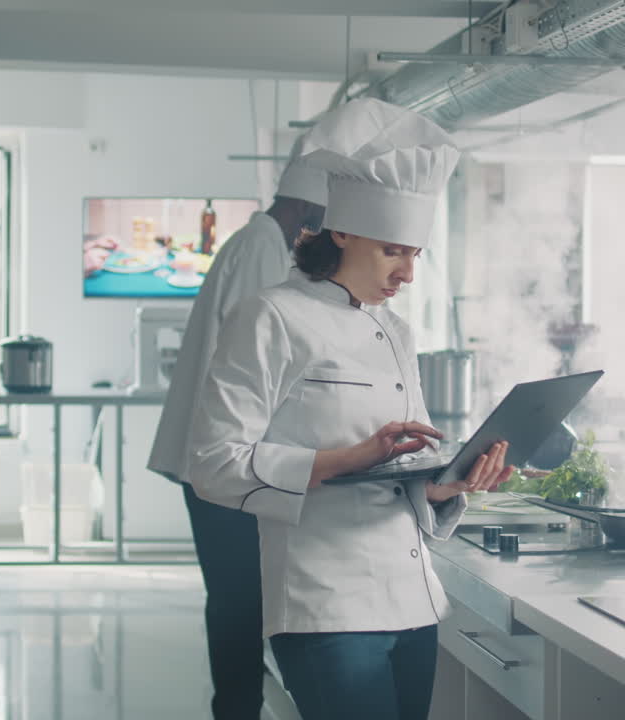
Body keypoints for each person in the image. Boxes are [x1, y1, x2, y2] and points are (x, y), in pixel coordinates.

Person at [185, 98, 512, 720]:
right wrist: (345, 459)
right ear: (342, 231)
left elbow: (396, 482)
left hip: (414, 605)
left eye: (415, 254)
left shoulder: (396, 331)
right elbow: (213, 462)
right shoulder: (272, 315)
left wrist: (450, 485)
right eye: (394, 251)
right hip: (327, 608)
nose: (407, 273)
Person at [146, 140, 327, 720]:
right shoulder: (261, 252)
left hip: (222, 456)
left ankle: (239, 708)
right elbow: (261, 363)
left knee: (237, 602)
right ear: (308, 214)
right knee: (236, 603)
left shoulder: (258, 243)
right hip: (220, 459)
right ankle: (237, 711)